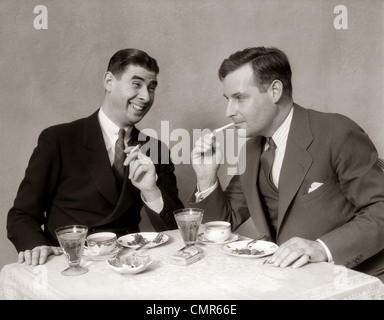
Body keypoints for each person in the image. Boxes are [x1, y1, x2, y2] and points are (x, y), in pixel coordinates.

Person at [189, 46, 384, 280]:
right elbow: (222, 225)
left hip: (353, 278)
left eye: (239, 98)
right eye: (227, 99)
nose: (229, 111)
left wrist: (321, 248)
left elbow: (380, 208)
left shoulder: (337, 132)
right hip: (289, 282)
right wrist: (206, 178)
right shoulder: (251, 150)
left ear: (275, 91)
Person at [7, 48, 184, 266]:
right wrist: (36, 246)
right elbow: (21, 215)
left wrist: (151, 192)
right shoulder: (59, 139)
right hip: (68, 265)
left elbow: (176, 230)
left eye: (152, 87)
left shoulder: (156, 149)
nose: (146, 96)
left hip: (127, 268)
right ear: (109, 81)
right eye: (136, 84)